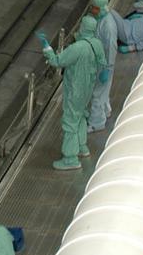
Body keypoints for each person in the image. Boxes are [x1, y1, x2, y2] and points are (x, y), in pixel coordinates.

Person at [42, 16, 106, 169]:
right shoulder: (97, 44)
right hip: (87, 89)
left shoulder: (77, 48)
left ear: (83, 28)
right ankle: (82, 146)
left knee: (70, 120)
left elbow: (57, 61)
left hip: (75, 90)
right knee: (81, 115)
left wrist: (48, 50)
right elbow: (102, 62)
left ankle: (70, 158)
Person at [87, 0, 117, 133]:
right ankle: (106, 110)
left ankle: (96, 122)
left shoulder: (108, 26)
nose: (92, 10)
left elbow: (111, 48)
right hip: (101, 62)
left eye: (94, 8)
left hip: (104, 64)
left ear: (100, 8)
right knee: (103, 90)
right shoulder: (102, 19)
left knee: (97, 93)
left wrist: (107, 68)